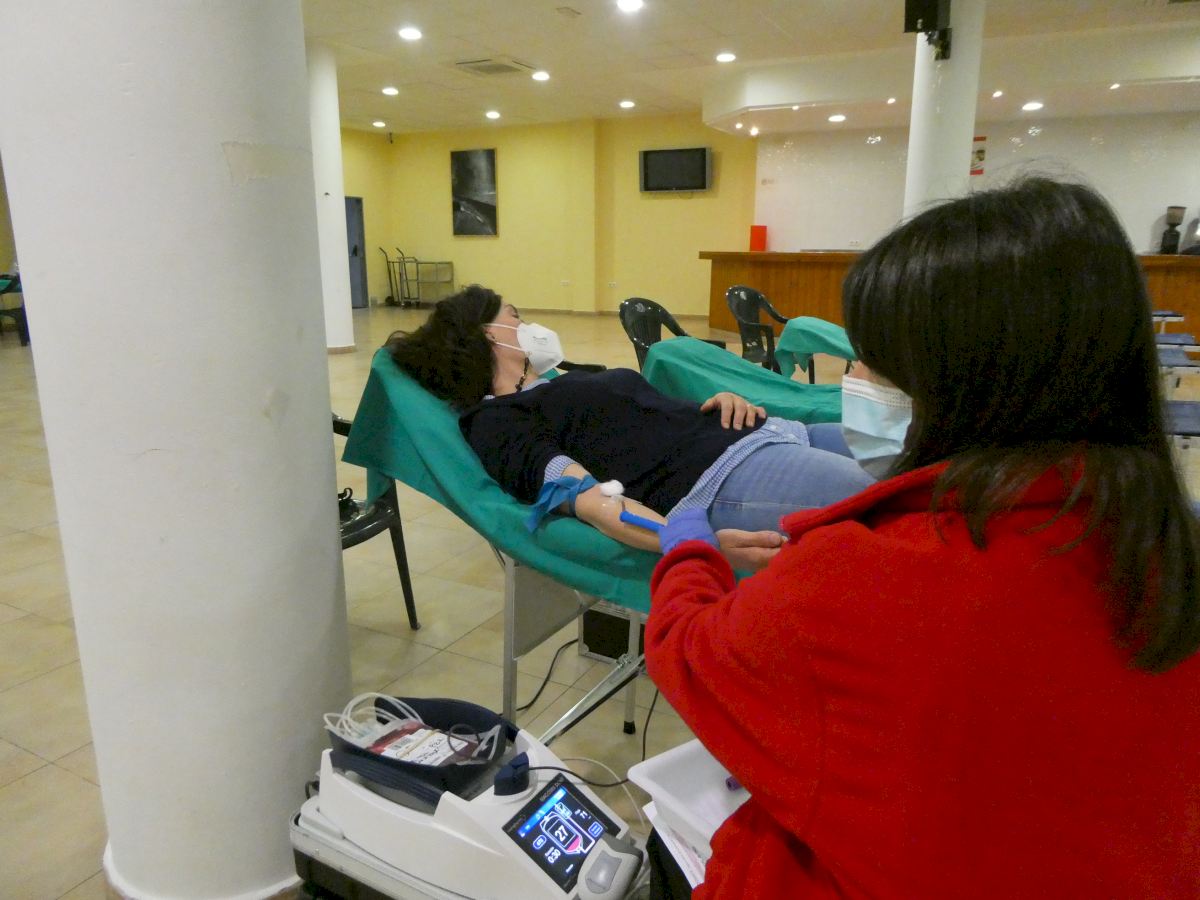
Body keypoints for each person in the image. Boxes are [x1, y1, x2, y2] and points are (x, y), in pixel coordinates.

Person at [646, 177, 1200, 898]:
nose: (853, 377)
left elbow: (690, 653)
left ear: (961, 379)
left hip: (735, 461)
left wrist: (687, 542)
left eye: (869, 358)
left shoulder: (868, 577)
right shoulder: (1162, 537)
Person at [385, 285, 874, 563]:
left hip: (770, 433)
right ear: (488, 336)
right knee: (898, 499)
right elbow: (593, 502)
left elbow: (651, 416)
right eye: (515, 317)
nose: (529, 326)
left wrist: (718, 401)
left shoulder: (559, 381)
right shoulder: (495, 421)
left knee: (913, 455)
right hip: (725, 477)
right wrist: (693, 543)